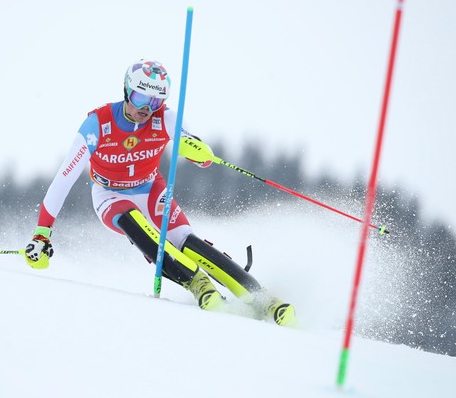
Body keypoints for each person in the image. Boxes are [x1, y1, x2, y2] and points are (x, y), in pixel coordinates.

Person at [24, 59, 295, 327]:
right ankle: (199, 285)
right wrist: (42, 234)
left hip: (151, 189)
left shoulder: (166, 119)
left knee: (185, 240)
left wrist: (197, 152)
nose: (146, 109)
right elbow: (63, 179)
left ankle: (261, 298)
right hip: (110, 195)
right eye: (141, 97)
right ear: (127, 90)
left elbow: (197, 150)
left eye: (155, 101)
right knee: (135, 223)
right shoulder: (98, 123)